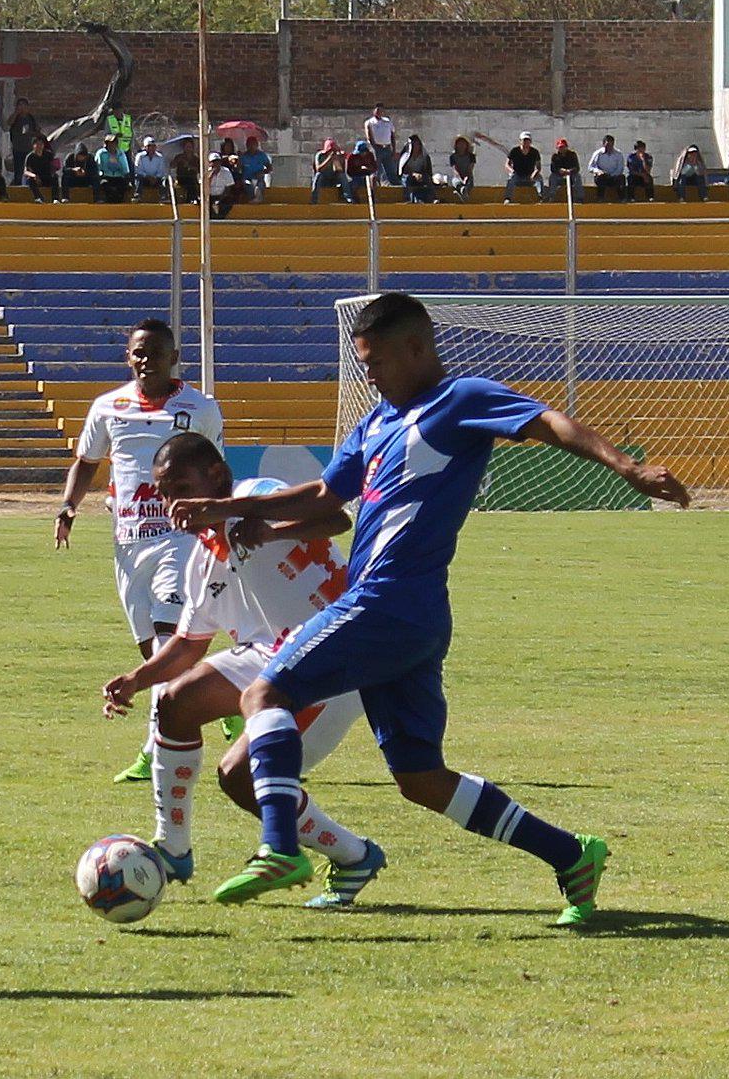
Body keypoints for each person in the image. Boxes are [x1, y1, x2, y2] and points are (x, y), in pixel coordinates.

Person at [166, 294, 689, 919]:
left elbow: (548, 422)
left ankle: (281, 846)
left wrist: (626, 466)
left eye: (378, 360)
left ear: (417, 348)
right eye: (363, 364)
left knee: (265, 693)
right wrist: (228, 509)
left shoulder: (460, 399)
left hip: (390, 600)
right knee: (420, 779)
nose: (370, 375)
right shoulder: (375, 422)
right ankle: (573, 854)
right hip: (409, 617)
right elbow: (328, 494)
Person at [102, 433, 386, 905]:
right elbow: (188, 646)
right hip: (273, 653)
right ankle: (172, 848)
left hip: (334, 658)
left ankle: (354, 855)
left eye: (180, 487)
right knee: (174, 702)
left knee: (240, 776)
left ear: (215, 475)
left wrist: (268, 529)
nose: (172, 502)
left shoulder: (257, 495)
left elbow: (336, 517)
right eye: (164, 493)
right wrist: (137, 679)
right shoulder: (202, 558)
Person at [54, 320, 226, 784]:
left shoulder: (201, 408)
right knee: (154, 648)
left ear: (174, 357)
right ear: (128, 358)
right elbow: (86, 463)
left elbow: (216, 472)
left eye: (155, 351)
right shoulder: (108, 407)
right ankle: (221, 697)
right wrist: (68, 508)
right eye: (137, 352)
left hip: (180, 538)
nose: (145, 358)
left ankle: (154, 749)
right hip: (129, 543)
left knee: (169, 637)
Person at [7, 97, 40, 185]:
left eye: (24, 105)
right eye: (20, 105)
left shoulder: (31, 118)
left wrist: (31, 132)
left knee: (29, 169)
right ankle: (18, 186)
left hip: (29, 148)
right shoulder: (16, 117)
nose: (22, 107)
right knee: (18, 170)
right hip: (17, 148)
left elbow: (37, 131)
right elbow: (8, 123)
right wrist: (16, 113)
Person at [504, 132, 543, 203]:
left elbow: (538, 167)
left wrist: (535, 173)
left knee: (539, 178)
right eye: (524, 140)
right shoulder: (514, 151)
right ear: (520, 141)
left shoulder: (535, 152)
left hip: (530, 177)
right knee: (511, 179)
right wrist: (512, 171)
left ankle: (541, 198)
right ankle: (508, 198)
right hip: (517, 176)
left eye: (528, 140)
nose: (526, 142)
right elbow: (507, 164)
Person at [310, 138, 352, 204]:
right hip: (323, 179)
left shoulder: (338, 156)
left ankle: (348, 198)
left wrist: (341, 160)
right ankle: (314, 199)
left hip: (333, 179)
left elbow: (342, 171)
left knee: (342, 176)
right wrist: (329, 159)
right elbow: (318, 169)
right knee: (319, 175)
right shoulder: (320, 155)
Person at [364, 104, 397, 185]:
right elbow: (369, 136)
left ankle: (393, 184)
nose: (379, 112)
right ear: (374, 111)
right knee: (377, 169)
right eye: (377, 110)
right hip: (377, 147)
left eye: (381, 110)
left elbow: (392, 135)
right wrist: (374, 147)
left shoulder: (387, 121)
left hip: (387, 147)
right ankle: (377, 185)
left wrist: (394, 149)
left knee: (390, 168)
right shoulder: (370, 122)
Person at [23, 134, 61, 204]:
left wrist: (53, 171)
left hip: (47, 177)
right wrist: (34, 176)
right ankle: (38, 198)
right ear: (33, 146)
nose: (39, 146)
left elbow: (54, 166)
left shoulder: (48, 154)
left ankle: (55, 199)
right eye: (37, 144)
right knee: (30, 180)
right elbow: (26, 171)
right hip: (36, 179)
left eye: (41, 144)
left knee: (55, 177)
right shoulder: (30, 157)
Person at [398, 134, 435, 204]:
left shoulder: (424, 157)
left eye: (417, 144)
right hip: (409, 176)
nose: (416, 147)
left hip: (420, 176)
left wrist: (421, 175)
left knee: (427, 179)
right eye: (414, 145)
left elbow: (427, 170)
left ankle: (432, 198)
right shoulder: (406, 157)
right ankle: (408, 198)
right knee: (406, 179)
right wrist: (413, 174)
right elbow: (404, 171)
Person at [588, 135, 625, 202]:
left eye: (611, 144)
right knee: (600, 178)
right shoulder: (598, 153)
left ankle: (622, 199)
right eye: (608, 144)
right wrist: (598, 171)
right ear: (603, 144)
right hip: (602, 176)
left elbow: (620, 168)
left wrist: (612, 175)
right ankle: (600, 198)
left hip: (614, 177)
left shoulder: (618, 154)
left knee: (622, 178)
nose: (609, 147)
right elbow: (590, 167)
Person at [92, 135, 128, 203]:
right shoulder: (101, 153)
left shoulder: (120, 153)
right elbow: (97, 167)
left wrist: (118, 164)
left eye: (115, 143)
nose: (113, 145)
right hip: (105, 176)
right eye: (111, 143)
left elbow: (125, 168)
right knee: (105, 185)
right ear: (106, 143)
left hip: (118, 177)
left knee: (123, 186)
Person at [547, 138, 584, 203]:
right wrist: (560, 170)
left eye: (563, 147)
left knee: (577, 177)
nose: (562, 149)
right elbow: (553, 168)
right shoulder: (555, 156)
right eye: (560, 147)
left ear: (566, 147)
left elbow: (577, 168)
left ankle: (579, 198)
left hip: (571, 175)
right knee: (552, 177)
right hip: (559, 176)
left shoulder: (572, 154)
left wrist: (569, 171)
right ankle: (551, 197)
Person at [132, 136, 168, 202]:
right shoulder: (140, 156)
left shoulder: (160, 157)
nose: (152, 148)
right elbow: (138, 170)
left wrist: (155, 178)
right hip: (144, 178)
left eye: (153, 146)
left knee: (164, 180)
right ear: (145, 147)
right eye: (149, 146)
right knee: (138, 177)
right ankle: (137, 196)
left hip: (156, 179)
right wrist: (147, 176)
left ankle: (164, 197)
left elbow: (161, 171)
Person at [237, 137, 271, 203]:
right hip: (247, 179)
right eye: (249, 145)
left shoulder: (262, 155)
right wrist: (239, 159)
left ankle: (257, 199)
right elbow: (238, 170)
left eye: (253, 144)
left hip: (259, 179)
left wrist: (262, 172)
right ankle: (254, 200)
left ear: (257, 145)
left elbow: (270, 168)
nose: (251, 147)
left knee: (259, 186)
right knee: (248, 185)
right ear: (246, 146)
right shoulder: (243, 156)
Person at [207, 152, 238, 219]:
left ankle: (220, 218)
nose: (216, 164)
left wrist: (220, 199)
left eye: (217, 162)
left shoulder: (226, 171)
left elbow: (228, 187)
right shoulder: (206, 172)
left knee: (228, 202)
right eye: (213, 162)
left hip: (222, 196)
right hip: (209, 196)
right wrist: (210, 176)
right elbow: (204, 187)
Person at [105, 99, 134, 170]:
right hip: (114, 151)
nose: (117, 112)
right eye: (115, 111)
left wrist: (131, 148)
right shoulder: (110, 120)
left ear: (122, 110)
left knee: (129, 168)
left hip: (126, 149)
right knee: (116, 168)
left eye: (118, 110)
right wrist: (114, 136)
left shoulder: (128, 119)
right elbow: (106, 135)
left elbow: (131, 134)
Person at [446, 137, 476, 202]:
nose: (461, 146)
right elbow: (455, 170)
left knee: (469, 182)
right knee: (454, 180)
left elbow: (470, 169)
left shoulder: (471, 156)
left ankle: (464, 193)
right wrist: (460, 179)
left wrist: (465, 178)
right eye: (459, 144)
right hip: (458, 177)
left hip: (467, 176)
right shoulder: (453, 157)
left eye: (463, 144)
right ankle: (461, 190)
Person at [172, 139, 201, 205]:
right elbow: (172, 166)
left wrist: (189, 166)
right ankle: (191, 199)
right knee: (190, 182)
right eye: (187, 147)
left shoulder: (196, 159)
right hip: (181, 178)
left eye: (190, 147)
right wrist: (177, 161)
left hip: (192, 178)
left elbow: (199, 170)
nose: (188, 149)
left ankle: (192, 199)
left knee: (192, 182)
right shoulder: (179, 156)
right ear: (184, 148)